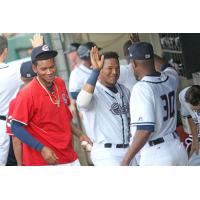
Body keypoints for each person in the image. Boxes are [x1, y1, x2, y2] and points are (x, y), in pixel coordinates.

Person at [11, 44, 91, 166]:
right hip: (43, 161)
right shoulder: (26, 94)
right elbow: (16, 127)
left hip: (69, 155)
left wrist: (80, 134)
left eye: (52, 67)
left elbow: (65, 118)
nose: (49, 72)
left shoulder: (60, 83)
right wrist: (41, 148)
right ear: (34, 68)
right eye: (44, 69)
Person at [121, 42, 188, 166]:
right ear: (152, 59)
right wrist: (146, 52)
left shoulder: (141, 88)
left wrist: (126, 160)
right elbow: (166, 66)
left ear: (133, 63)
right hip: (177, 148)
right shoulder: (171, 77)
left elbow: (145, 129)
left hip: (157, 155)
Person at [77, 47, 136, 166]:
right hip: (107, 153)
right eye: (109, 68)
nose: (114, 72)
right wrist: (95, 72)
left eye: (117, 68)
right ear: (100, 70)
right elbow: (82, 102)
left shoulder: (124, 90)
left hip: (129, 150)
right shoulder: (93, 91)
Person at [0, 35, 30, 166]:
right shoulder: (12, 71)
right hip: (4, 128)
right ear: (5, 51)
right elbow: (33, 64)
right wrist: (37, 48)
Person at [6, 61, 37, 166]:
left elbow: (15, 139)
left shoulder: (14, 102)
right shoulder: (48, 96)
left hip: (30, 157)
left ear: (21, 79)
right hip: (53, 152)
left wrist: (19, 164)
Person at [179, 85, 200, 165]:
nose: (193, 110)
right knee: (191, 163)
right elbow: (190, 116)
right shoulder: (183, 95)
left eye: (197, 108)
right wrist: (195, 140)